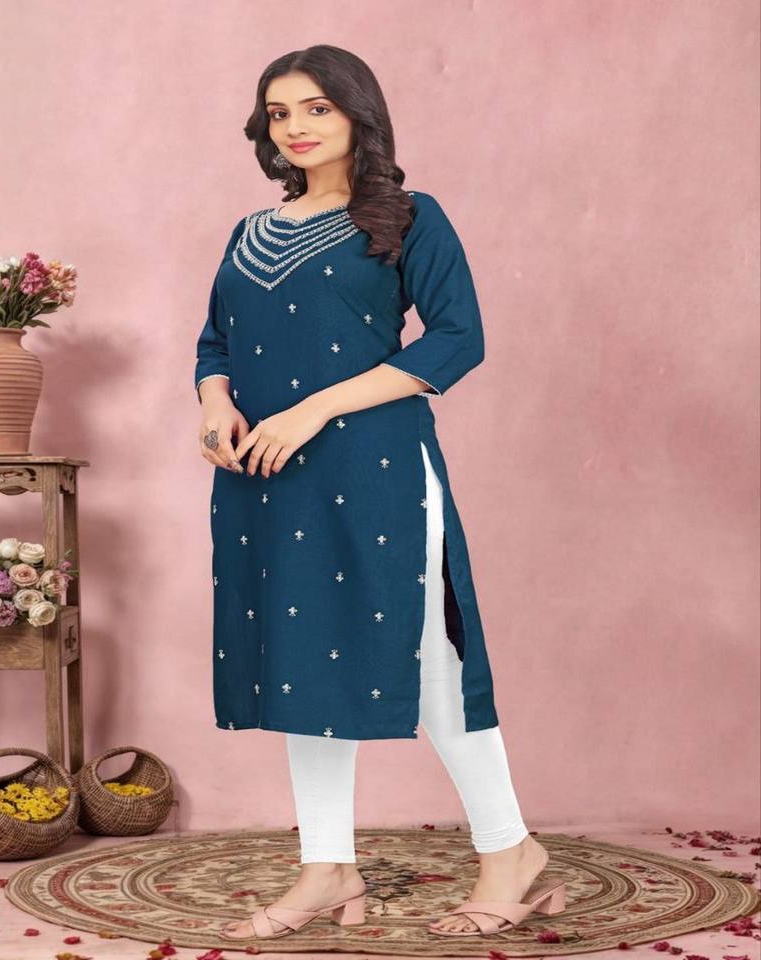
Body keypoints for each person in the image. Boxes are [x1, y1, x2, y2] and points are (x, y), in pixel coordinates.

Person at [194, 44, 565, 940]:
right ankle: (327, 867)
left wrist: (313, 409)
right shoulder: (250, 232)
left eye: (316, 107)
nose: (296, 127)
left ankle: (510, 850)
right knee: (302, 657)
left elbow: (456, 339)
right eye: (280, 112)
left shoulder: (408, 218)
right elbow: (215, 342)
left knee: (427, 655)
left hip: (375, 469)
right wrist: (214, 407)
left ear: (358, 112)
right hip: (269, 477)